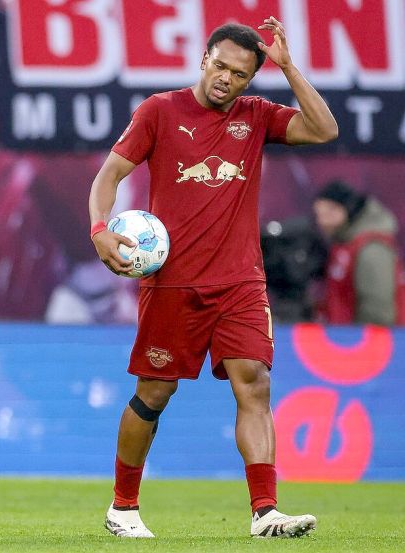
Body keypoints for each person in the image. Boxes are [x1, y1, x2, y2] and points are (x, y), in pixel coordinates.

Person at [89, 19, 338, 538]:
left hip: (240, 284)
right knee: (154, 394)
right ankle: (123, 508)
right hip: (172, 285)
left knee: (256, 385)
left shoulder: (257, 117)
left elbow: (324, 129)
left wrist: (289, 67)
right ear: (204, 58)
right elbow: (108, 175)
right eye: (220, 66)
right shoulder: (159, 111)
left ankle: (265, 511)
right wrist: (99, 230)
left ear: (251, 79)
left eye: (240, 73)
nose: (227, 79)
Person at [313, 181, 404, 326]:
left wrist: (366, 342)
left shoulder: (372, 249)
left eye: (328, 213)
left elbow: (377, 311)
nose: (322, 221)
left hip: (368, 343)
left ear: (347, 209)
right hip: (348, 340)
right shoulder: (345, 243)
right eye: (318, 214)